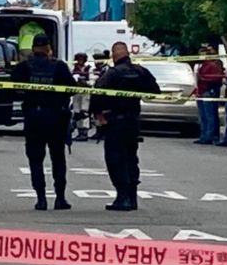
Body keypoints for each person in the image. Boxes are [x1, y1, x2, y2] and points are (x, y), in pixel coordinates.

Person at [91, 42, 161, 212]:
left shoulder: (112, 74)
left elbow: (97, 95)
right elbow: (155, 90)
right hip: (133, 121)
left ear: (114, 56)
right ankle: (132, 197)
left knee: (115, 160)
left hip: (115, 121)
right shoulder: (140, 71)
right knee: (131, 158)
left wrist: (99, 115)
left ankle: (123, 198)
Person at [10, 35, 77, 211]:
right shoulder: (59, 66)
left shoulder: (24, 67)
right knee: (58, 158)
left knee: (35, 159)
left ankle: (41, 199)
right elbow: (72, 88)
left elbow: (13, 88)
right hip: (56, 118)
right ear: (48, 48)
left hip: (34, 118)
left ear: (33, 49)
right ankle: (60, 198)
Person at [195, 46, 224, 145]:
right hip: (200, 92)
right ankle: (203, 136)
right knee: (202, 116)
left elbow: (216, 79)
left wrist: (203, 79)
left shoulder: (212, 65)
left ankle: (209, 136)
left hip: (208, 91)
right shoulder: (201, 66)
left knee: (209, 115)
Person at [71, 53, 93, 142]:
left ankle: (85, 132)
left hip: (86, 93)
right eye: (78, 59)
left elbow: (92, 81)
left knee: (85, 112)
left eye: (82, 59)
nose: (80, 61)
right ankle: (80, 131)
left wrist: (85, 82)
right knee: (77, 112)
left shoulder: (89, 69)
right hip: (76, 93)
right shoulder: (73, 68)